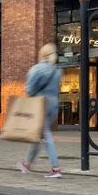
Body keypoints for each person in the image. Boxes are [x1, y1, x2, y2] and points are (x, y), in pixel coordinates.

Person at [18, 43, 63, 178]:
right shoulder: (57, 70)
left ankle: (56, 168)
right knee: (38, 134)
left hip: (40, 104)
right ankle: (27, 164)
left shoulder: (36, 69)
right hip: (54, 105)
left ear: (41, 54)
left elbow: (30, 90)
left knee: (46, 135)